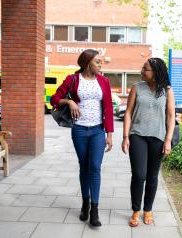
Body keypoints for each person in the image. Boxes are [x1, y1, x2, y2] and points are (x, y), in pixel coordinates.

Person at [50, 49, 114, 227]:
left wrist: (109, 134)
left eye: (101, 62)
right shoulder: (73, 79)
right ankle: (85, 203)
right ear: (87, 63)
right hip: (79, 130)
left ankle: (95, 209)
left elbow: (108, 108)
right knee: (84, 166)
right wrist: (69, 101)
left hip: (97, 131)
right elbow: (54, 99)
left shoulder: (104, 81)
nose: (101, 65)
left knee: (95, 167)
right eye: (98, 62)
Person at [121, 57, 175, 227]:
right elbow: (128, 112)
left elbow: (171, 116)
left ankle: (148, 209)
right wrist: (125, 136)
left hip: (158, 138)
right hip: (138, 135)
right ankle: (136, 210)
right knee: (139, 175)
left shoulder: (167, 90)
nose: (142, 71)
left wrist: (168, 140)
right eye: (142, 68)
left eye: (145, 69)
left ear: (156, 72)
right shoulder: (137, 87)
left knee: (152, 176)